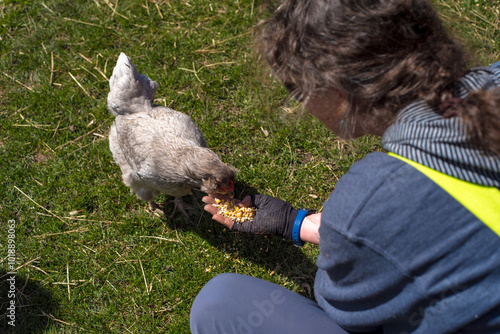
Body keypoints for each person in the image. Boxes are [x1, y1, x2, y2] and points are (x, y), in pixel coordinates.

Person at [190, 0, 500, 333]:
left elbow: (348, 310)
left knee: (219, 304)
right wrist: (297, 224)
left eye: (295, 90)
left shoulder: (371, 201)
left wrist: (345, 234)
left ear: (337, 90)